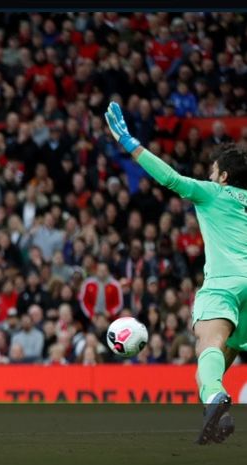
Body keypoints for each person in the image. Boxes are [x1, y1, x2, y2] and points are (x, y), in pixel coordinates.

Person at [105, 101, 243, 444]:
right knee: (224, 352)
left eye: (212, 171)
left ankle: (213, 399)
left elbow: (170, 178)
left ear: (223, 177)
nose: (210, 176)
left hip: (225, 281)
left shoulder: (214, 193)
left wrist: (129, 143)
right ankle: (216, 407)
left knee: (209, 342)